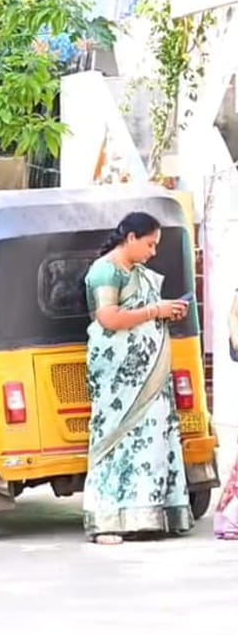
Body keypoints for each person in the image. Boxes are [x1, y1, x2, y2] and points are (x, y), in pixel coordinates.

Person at [82, 211, 193, 544]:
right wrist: (155, 311)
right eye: (149, 244)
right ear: (130, 238)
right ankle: (106, 521)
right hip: (119, 379)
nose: (153, 252)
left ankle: (149, 515)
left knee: (153, 440)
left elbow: (142, 313)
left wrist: (167, 310)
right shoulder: (105, 270)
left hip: (151, 376)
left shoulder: (140, 274)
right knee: (115, 441)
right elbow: (109, 318)